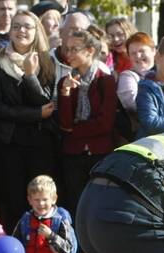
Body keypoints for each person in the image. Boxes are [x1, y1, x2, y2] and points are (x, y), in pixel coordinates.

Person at [0, 9, 56, 230]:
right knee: (14, 202)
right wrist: (34, 114)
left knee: (42, 201)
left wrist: (29, 76)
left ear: (37, 31)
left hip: (40, 142)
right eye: (16, 26)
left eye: (27, 26)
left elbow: (46, 102)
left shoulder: (46, 59)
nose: (21, 31)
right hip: (9, 143)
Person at [57, 28, 117, 211]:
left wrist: (74, 131)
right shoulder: (65, 81)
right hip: (73, 154)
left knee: (100, 204)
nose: (69, 54)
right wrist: (66, 93)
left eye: (75, 49)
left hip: (100, 152)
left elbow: (105, 123)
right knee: (76, 204)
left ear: (90, 50)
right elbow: (64, 123)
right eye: (67, 49)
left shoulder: (105, 80)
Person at [10, 175, 77, 253]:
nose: (41, 204)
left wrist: (51, 236)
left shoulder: (61, 220)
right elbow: (15, 245)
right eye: (36, 200)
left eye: (45, 199)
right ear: (29, 200)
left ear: (54, 199)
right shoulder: (25, 220)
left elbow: (67, 250)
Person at [115, 31, 153, 121]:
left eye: (142, 51)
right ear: (129, 56)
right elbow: (134, 107)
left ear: (153, 51)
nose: (138, 56)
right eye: (133, 53)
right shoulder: (127, 77)